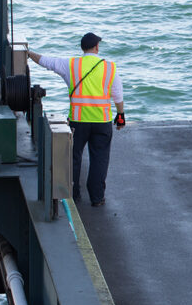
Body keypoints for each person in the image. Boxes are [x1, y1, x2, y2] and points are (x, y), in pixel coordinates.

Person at [28, 32, 125, 207]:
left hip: (78, 122)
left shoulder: (71, 65)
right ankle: (97, 198)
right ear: (96, 47)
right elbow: (117, 96)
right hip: (102, 123)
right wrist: (120, 116)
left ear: (82, 48)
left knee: (74, 158)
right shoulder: (109, 67)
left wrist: (28, 53)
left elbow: (46, 62)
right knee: (100, 160)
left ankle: (73, 195)